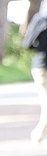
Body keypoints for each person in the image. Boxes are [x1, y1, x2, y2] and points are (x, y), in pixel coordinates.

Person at [25, 8, 47, 143]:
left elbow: (27, 44)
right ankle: (39, 132)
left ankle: (38, 133)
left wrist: (41, 46)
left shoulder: (40, 19)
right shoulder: (40, 19)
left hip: (40, 64)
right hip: (41, 67)